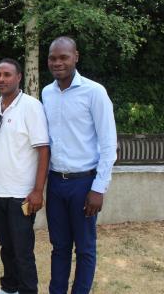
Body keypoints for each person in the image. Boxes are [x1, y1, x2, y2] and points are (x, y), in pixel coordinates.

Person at [42, 36, 117, 294]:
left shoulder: (94, 92)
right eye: (53, 58)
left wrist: (99, 188)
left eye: (63, 57)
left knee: (85, 248)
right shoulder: (46, 93)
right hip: (55, 183)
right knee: (59, 246)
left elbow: (109, 143)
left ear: (76, 57)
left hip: (84, 183)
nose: (57, 62)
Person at [0, 58, 50, 294]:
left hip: (21, 195)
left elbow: (43, 149)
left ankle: (27, 290)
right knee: (6, 246)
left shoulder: (31, 106)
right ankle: (9, 287)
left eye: (7, 74)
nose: (1, 79)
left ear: (19, 77)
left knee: (23, 250)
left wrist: (37, 190)